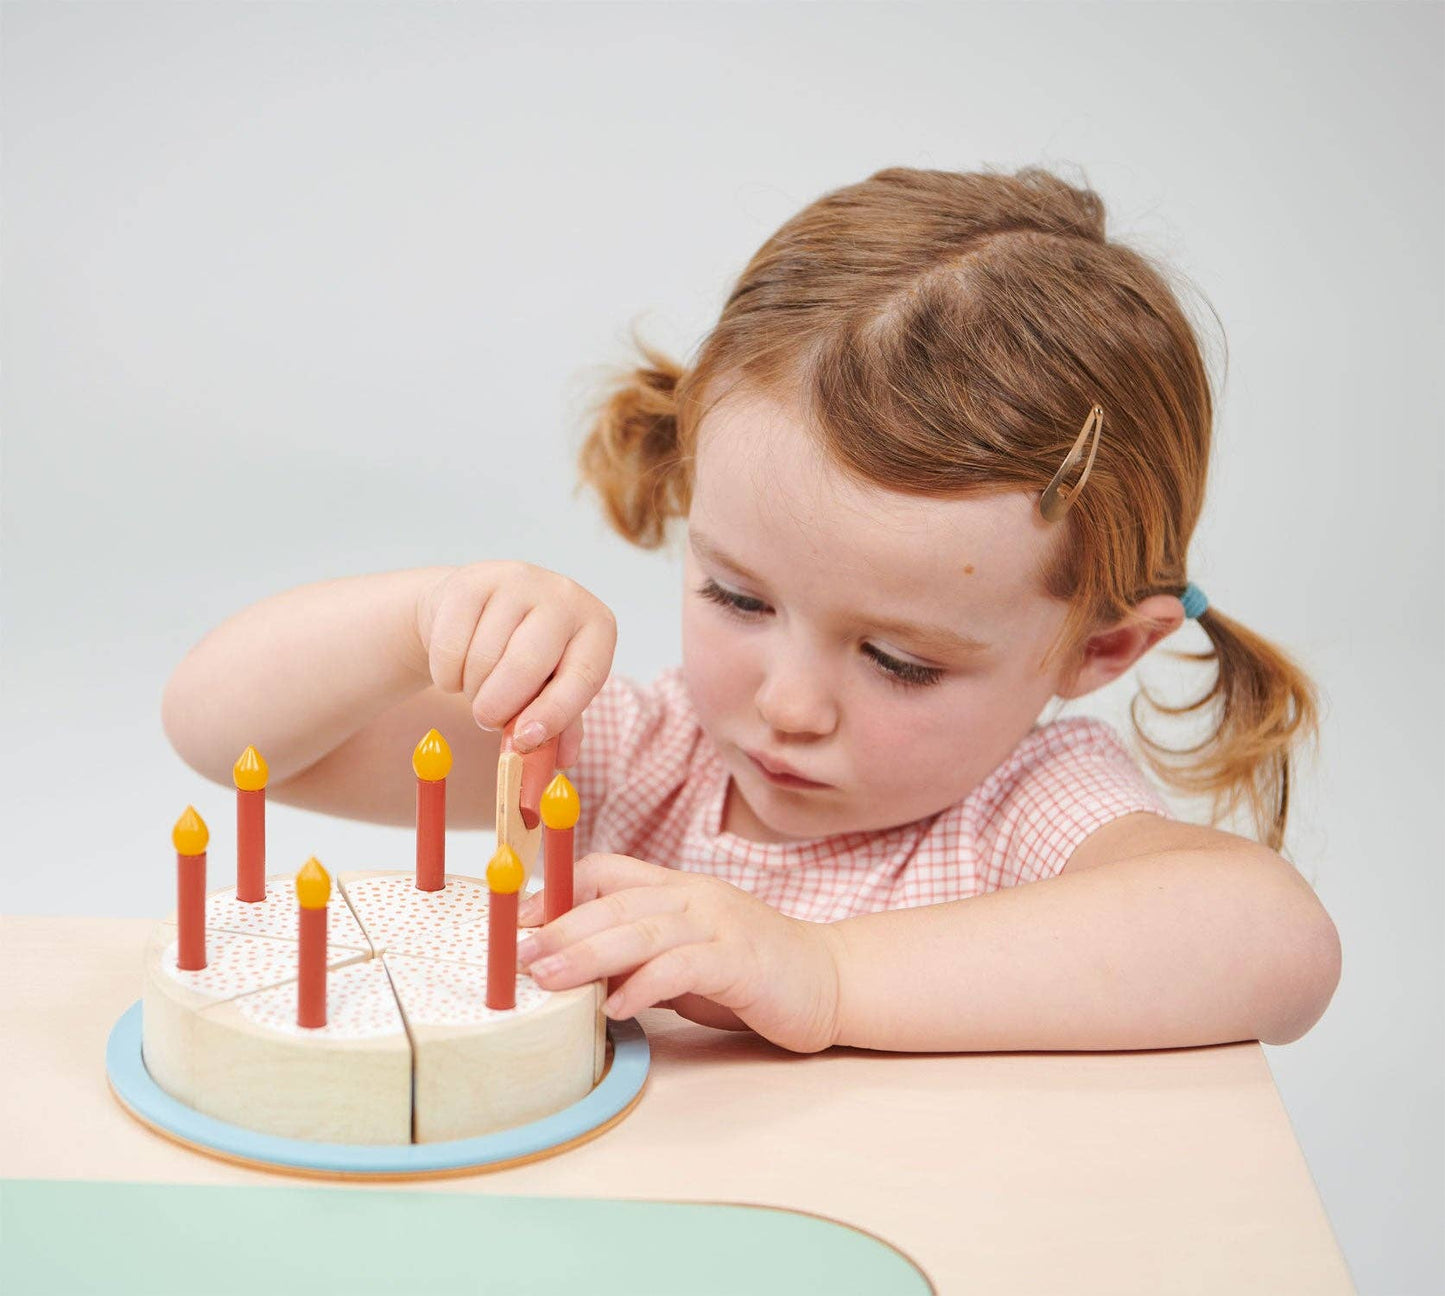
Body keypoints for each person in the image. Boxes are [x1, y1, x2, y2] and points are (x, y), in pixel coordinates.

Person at [162, 165, 1341, 1057]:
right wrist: (420, 618)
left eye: (898, 661)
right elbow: (225, 733)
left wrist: (821, 976)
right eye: (735, 596)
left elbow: (1274, 944)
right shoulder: (632, 763)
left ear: (1100, 649)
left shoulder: (1023, 814)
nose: (785, 704)